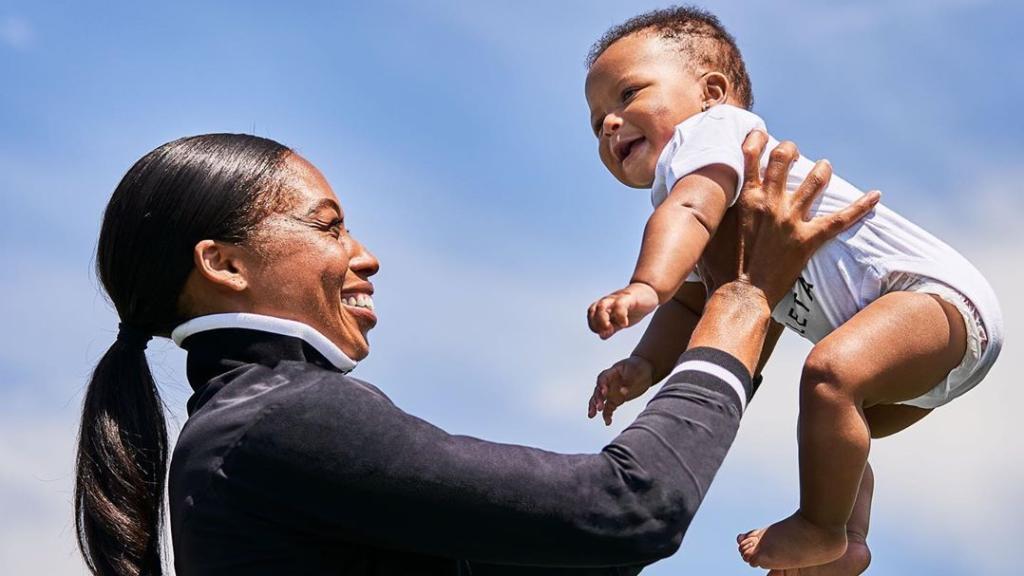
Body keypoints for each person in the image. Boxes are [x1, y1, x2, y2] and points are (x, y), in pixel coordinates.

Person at [73, 132, 874, 576]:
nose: (365, 255)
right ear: (224, 264)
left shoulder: (249, 429)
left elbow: (573, 552)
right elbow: (626, 510)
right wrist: (740, 305)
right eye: (327, 225)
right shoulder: (281, 419)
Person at [582, 6, 1003, 575]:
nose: (609, 123)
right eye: (597, 121)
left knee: (829, 376)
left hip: (932, 300)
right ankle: (849, 541)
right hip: (918, 357)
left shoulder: (714, 135)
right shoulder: (692, 207)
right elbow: (694, 301)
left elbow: (689, 210)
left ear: (711, 92)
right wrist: (643, 365)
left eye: (628, 94)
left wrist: (642, 286)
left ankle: (819, 526)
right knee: (833, 426)